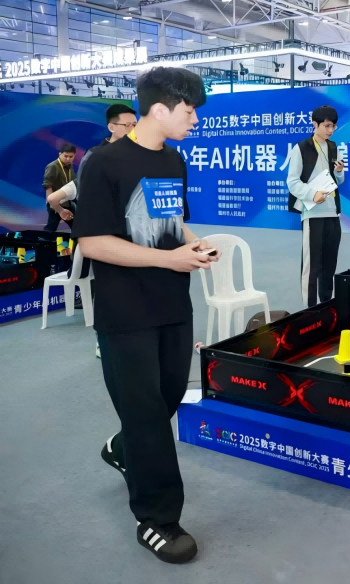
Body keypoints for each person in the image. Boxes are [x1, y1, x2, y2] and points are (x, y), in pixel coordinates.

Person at [73, 67, 216, 563]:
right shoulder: (104, 164)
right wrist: (168, 259)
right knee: (147, 416)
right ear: (159, 109)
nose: (194, 119)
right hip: (126, 311)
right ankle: (157, 519)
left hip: (173, 303)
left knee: (168, 395)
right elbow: (93, 243)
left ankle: (123, 446)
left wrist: (193, 245)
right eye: (189, 110)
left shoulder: (173, 160)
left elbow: (170, 222)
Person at [47, 104, 139, 358]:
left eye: (136, 125)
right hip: (105, 238)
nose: (133, 130)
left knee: (133, 290)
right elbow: (63, 194)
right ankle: (104, 340)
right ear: (112, 127)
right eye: (128, 125)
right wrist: (63, 211)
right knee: (108, 290)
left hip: (134, 236)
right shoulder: (97, 158)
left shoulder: (137, 154)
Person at [286, 104, 346, 307]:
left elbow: (337, 181)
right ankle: (310, 310)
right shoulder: (301, 148)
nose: (330, 130)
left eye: (333, 126)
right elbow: (292, 182)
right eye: (327, 126)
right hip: (312, 214)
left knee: (330, 264)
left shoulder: (334, 148)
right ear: (315, 124)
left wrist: (339, 172)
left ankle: (326, 305)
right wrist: (312, 194)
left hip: (332, 213)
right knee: (312, 266)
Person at [43, 143, 76, 232]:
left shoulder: (70, 166)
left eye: (71, 156)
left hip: (68, 203)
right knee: (51, 228)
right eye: (66, 156)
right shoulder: (53, 166)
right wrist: (53, 205)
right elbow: (48, 185)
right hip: (56, 204)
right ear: (60, 154)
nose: (68, 159)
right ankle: (43, 240)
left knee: (76, 227)